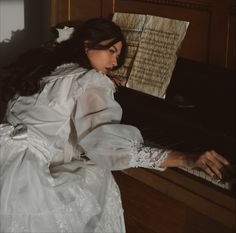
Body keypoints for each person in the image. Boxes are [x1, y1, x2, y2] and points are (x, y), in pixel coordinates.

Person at [0, 18, 230, 233]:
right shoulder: (88, 80)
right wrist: (185, 158)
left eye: (118, 56)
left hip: (7, 157)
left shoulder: (48, 67)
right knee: (98, 174)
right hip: (26, 176)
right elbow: (107, 145)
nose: (115, 62)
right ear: (87, 44)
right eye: (111, 51)